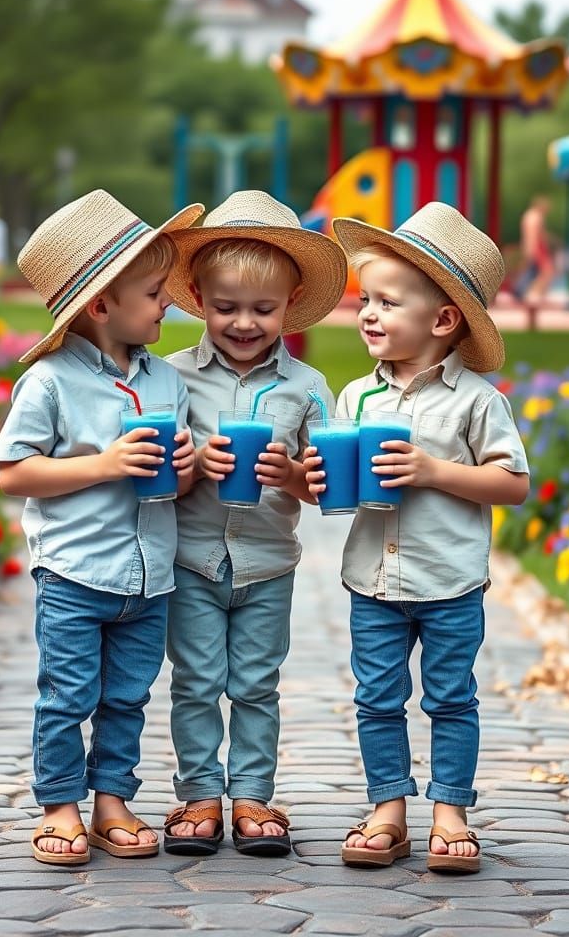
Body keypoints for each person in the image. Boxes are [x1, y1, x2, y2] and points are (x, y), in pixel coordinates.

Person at [305, 203, 529, 872]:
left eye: (386, 302)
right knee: (375, 698)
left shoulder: (476, 401)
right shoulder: (355, 399)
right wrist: (318, 478)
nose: (368, 313)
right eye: (365, 300)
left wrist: (434, 471)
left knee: (450, 697)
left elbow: (512, 483)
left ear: (442, 320)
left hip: (450, 579)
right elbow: (333, 496)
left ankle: (451, 810)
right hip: (373, 578)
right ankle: (388, 809)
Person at [0, 190, 204, 865]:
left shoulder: (166, 381)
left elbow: (178, 476)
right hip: (76, 574)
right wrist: (107, 463)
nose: (166, 303)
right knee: (68, 695)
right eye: (152, 292)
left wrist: (190, 465)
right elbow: (13, 472)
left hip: (149, 578)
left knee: (127, 697)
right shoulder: (49, 383)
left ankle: (112, 799)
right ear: (101, 304)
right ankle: (59, 804)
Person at [160, 190, 348, 857]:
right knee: (196, 682)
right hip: (192, 559)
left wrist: (290, 471)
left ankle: (254, 797)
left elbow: (329, 489)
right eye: (226, 307)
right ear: (198, 297)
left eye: (263, 309)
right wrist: (195, 464)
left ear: (291, 304)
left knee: (256, 685)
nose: (244, 322)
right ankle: (199, 796)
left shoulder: (309, 387)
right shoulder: (171, 378)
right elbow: (157, 481)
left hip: (268, 562)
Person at [516, 194, 554, 302]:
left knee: (531, 271)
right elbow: (538, 235)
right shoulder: (537, 216)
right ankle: (534, 293)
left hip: (528, 246)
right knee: (547, 271)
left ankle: (524, 291)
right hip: (536, 247)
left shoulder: (527, 215)